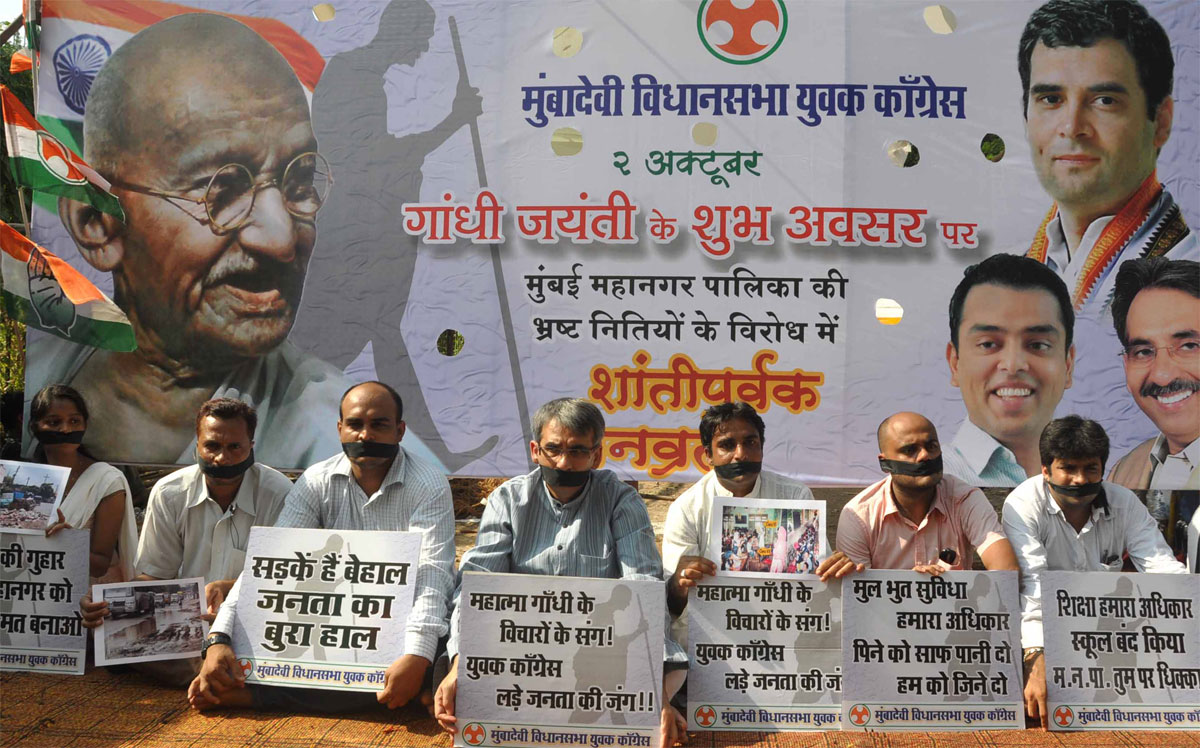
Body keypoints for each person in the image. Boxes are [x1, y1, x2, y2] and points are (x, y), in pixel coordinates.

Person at [37, 13, 441, 471]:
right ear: (98, 222)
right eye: (222, 192)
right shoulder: (41, 375)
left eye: (300, 180)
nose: (282, 238)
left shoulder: (338, 446)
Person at [432, 398, 687, 747]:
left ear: (596, 455)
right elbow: (475, 587)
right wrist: (461, 665)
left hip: (601, 656)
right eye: (553, 449)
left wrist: (652, 692)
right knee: (449, 682)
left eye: (578, 451)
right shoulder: (507, 500)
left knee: (652, 701)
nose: (564, 462)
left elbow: (642, 587)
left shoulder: (621, 501)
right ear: (535, 450)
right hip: (521, 656)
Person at [188, 381, 455, 714]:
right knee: (271, 648)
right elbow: (269, 565)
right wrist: (218, 639)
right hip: (333, 623)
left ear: (400, 431)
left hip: (399, 621)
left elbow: (432, 578)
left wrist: (416, 657)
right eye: (355, 424)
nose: (365, 436)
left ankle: (261, 697)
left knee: (435, 655)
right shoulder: (316, 481)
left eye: (379, 425)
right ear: (340, 428)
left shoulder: (428, 483)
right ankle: (401, 696)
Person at [76, 398, 292, 685]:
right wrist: (108, 603)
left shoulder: (279, 493)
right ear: (197, 447)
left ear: (251, 447)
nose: (222, 458)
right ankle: (229, 675)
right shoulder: (169, 493)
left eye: (234, 447)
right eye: (212, 446)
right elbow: (153, 575)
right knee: (109, 628)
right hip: (189, 624)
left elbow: (285, 581)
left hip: (250, 621)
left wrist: (228, 589)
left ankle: (211, 670)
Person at [1001, 415, 1186, 727]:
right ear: (1046, 470)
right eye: (1068, 468)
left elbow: (1163, 570)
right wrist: (1035, 656)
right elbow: (1033, 587)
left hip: (1108, 635)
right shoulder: (1022, 505)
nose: (1080, 479)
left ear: (1103, 469)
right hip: (1044, 631)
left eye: (1090, 468)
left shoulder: (1124, 502)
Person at [1019, 0, 1196, 310]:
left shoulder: (1189, 273)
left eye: (1104, 101)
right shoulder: (1014, 275)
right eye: (1050, 98)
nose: (1072, 128)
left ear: (1161, 122)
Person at [661, 402, 814, 647]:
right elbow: (672, 603)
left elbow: (816, 581)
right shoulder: (687, 508)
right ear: (708, 455)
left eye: (750, 442)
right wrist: (680, 583)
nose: (741, 454)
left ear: (762, 449)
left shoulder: (796, 497)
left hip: (781, 624)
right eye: (727, 445)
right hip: (712, 636)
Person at [817, 412, 1019, 580]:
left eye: (931, 446)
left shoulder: (965, 499)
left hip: (958, 619)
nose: (925, 456)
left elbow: (1007, 573)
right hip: (885, 623)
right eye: (910, 450)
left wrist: (943, 590)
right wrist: (910, 592)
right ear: (884, 463)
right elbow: (857, 597)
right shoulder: (859, 515)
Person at [942, 254, 1075, 486]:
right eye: (988, 344)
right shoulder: (929, 486)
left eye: (1038, 345)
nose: (1013, 365)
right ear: (955, 363)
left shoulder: (1100, 484)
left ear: (1068, 365)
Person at [1106, 258, 1199, 490]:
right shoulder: (1125, 472)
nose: (1162, 375)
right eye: (1144, 352)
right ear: (1126, 366)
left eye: (1188, 346)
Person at [35, 384, 137, 584]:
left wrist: (68, 542)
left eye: (74, 421)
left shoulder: (106, 481)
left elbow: (100, 565)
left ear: (84, 426)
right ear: (35, 427)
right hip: (29, 597)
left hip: (86, 604)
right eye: (54, 422)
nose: (65, 429)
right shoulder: (18, 479)